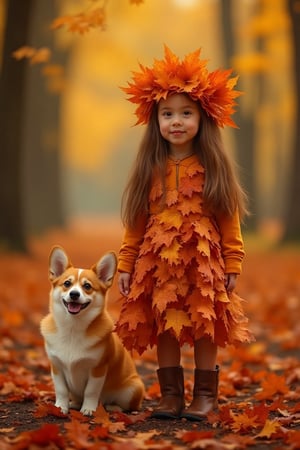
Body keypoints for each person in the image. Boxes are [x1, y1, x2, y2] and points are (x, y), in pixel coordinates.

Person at [115, 46, 254, 421]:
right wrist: (127, 263)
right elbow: (135, 223)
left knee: (205, 323)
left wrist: (233, 260)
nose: (176, 122)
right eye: (167, 114)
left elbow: (229, 217)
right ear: (156, 121)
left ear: (202, 118)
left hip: (203, 257)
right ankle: (171, 395)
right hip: (156, 261)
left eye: (186, 113)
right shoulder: (151, 167)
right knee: (165, 323)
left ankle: (205, 395)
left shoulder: (212, 166)